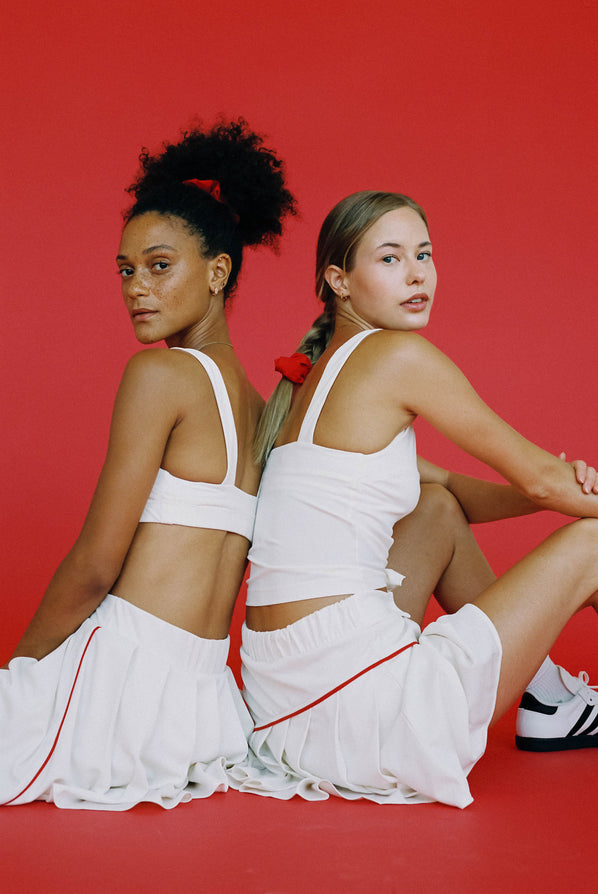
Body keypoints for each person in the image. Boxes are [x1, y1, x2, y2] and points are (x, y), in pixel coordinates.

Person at [230, 190, 598, 808]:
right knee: (593, 544)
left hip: (290, 708)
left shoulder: (311, 379)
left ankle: (550, 699)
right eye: (390, 258)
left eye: (423, 255)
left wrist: (552, 493)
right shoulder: (398, 357)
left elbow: (450, 488)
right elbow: (538, 477)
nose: (417, 273)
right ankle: (550, 700)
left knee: (434, 510)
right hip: (367, 711)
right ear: (338, 280)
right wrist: (555, 488)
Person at [0, 119, 296, 810]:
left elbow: (96, 564)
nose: (137, 287)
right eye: (127, 270)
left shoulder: (161, 377)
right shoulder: (264, 409)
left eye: (160, 266)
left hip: (114, 687)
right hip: (203, 712)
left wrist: (18, 673)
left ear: (218, 272)